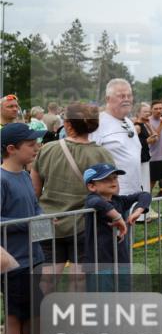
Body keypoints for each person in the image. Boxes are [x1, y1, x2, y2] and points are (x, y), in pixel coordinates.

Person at [31, 103, 115, 265]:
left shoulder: (46, 149)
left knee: (46, 275)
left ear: (68, 124)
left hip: (47, 221)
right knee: (79, 277)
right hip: (84, 223)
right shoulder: (102, 154)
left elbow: (34, 191)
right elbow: (112, 191)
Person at [1, 123, 46, 334]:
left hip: (33, 256)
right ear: (11, 149)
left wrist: (41, 218)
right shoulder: (2, 179)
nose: (36, 148)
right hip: (14, 260)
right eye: (30, 144)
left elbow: (35, 206)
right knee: (16, 316)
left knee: (32, 315)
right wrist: (29, 222)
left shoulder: (26, 175)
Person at [81, 163, 150, 286]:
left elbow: (144, 195)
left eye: (114, 178)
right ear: (91, 186)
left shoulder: (119, 200)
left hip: (121, 259)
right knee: (102, 294)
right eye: (106, 179)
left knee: (124, 291)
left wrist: (138, 211)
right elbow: (98, 203)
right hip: (99, 261)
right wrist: (118, 217)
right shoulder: (91, 200)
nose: (113, 181)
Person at [92, 79, 143, 194]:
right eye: (121, 96)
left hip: (134, 192)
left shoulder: (129, 122)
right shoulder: (97, 124)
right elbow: (90, 162)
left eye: (129, 96)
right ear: (108, 99)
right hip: (112, 195)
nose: (126, 99)